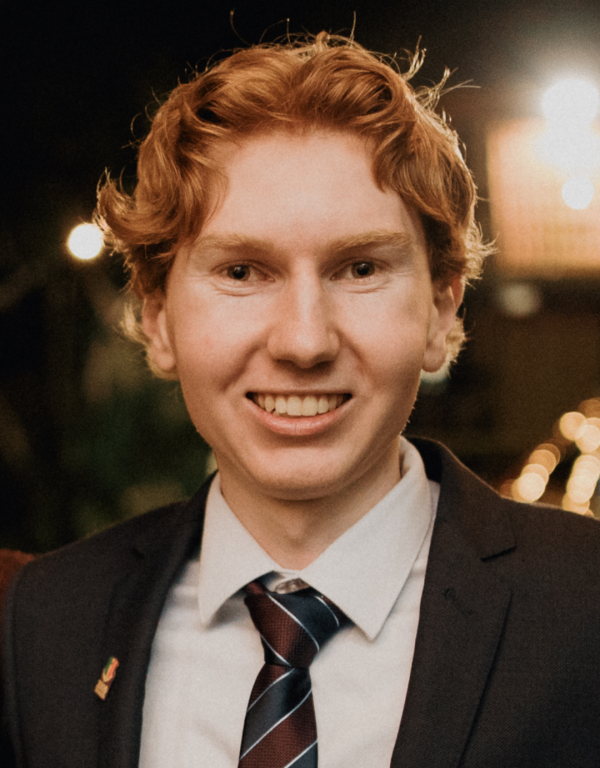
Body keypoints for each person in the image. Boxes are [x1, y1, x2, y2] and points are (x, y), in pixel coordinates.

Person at [3, 32, 600, 768]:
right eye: (242, 272)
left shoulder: (585, 604)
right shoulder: (43, 620)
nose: (304, 341)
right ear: (157, 321)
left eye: (360, 268)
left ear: (442, 313)